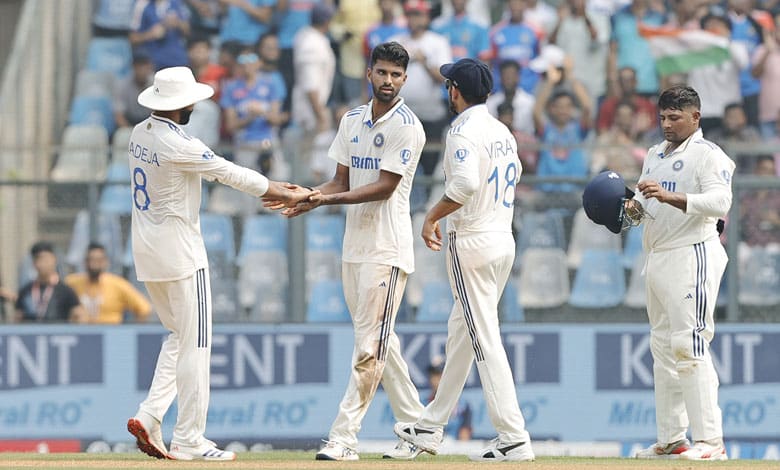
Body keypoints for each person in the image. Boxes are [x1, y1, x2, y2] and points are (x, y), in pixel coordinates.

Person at [125, 66, 315, 461]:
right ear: (182, 104)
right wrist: (283, 190)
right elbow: (231, 173)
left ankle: (150, 413)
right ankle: (190, 438)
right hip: (181, 253)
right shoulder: (179, 143)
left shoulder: (137, 133)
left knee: (179, 337)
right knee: (197, 345)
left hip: (146, 250)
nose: (196, 102)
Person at [273, 41, 427, 462]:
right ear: (370, 73)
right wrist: (307, 196)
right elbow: (340, 181)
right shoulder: (352, 120)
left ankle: (344, 438)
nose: (389, 81)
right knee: (380, 344)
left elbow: (384, 186)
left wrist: (325, 202)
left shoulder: (408, 126)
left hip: (387, 249)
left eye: (396, 75)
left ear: (405, 80)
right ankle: (421, 428)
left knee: (368, 349)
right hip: (354, 248)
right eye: (382, 73)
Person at [395, 58, 535, 462]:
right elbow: (517, 170)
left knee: (483, 337)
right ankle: (431, 424)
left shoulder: (461, 130)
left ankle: (512, 435)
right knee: (463, 331)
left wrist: (432, 216)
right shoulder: (500, 129)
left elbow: (466, 183)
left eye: (448, 85)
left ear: (454, 90)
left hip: (471, 241)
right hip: (501, 238)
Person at [628, 86, 734, 461]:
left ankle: (711, 442)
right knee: (663, 350)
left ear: (695, 117)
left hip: (693, 254)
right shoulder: (655, 154)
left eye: (675, 117)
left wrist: (670, 197)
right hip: (656, 256)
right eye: (663, 117)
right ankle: (672, 439)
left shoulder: (709, 155)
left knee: (689, 346)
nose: (667, 124)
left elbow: (721, 202)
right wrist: (625, 209)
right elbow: (642, 206)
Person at [65, 242, 152, 324]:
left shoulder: (117, 284)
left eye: (99, 260)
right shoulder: (72, 283)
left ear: (106, 262)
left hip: (111, 334)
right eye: (91, 260)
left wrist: (132, 331)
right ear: (85, 262)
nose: (94, 264)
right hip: (82, 333)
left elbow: (144, 309)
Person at [15, 242, 86, 323]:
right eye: (40, 259)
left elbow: (79, 315)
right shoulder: (25, 291)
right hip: (32, 334)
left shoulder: (66, 291)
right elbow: (18, 318)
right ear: (34, 263)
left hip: (58, 333)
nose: (44, 264)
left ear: (54, 260)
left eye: (47, 259)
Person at [129, 0, 191, 70]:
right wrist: (150, 34)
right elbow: (132, 38)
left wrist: (177, 23)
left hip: (178, 61)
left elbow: (188, 31)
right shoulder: (142, 5)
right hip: (153, 63)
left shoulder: (177, 3)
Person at [425, 356, 472, 441]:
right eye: (432, 375)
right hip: (428, 445)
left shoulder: (463, 405)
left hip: (455, 447)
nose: (434, 380)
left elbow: (465, 435)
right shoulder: (423, 403)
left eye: (438, 375)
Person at [114, 54, 155, 129]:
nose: (142, 70)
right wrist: (131, 130)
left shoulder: (155, 84)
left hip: (151, 122)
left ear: (150, 67)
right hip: (130, 122)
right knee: (123, 135)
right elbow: (118, 115)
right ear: (133, 67)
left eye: (144, 66)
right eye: (139, 66)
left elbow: (160, 113)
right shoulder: (123, 84)